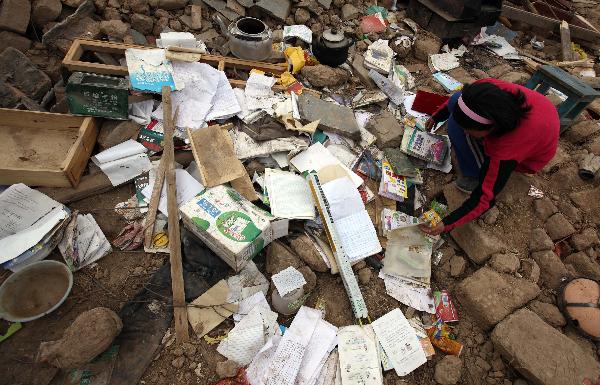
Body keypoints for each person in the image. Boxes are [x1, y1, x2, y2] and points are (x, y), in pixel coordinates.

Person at [419, 78, 559, 236]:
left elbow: (485, 198)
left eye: (469, 130)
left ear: (491, 128)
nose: (466, 132)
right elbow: (456, 99)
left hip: (530, 158)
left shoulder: (505, 148)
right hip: (540, 114)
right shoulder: (482, 90)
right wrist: (437, 116)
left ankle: (473, 174)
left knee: (456, 131)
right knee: (454, 121)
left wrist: (447, 223)